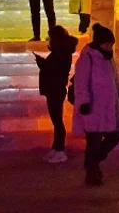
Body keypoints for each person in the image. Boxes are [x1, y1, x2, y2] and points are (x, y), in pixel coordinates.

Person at [75, 24, 119, 187]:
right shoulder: (88, 56)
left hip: (109, 105)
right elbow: (81, 81)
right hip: (93, 106)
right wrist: (84, 101)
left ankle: (93, 163)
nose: (109, 47)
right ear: (99, 42)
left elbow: (115, 79)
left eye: (111, 44)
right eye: (107, 44)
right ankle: (91, 174)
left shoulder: (108, 56)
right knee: (94, 140)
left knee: (115, 136)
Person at [34, 25, 79, 163]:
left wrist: (42, 64)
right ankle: (56, 148)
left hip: (55, 89)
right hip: (54, 89)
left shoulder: (61, 53)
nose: (49, 40)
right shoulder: (62, 52)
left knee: (58, 122)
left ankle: (60, 150)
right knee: (56, 121)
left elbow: (55, 71)